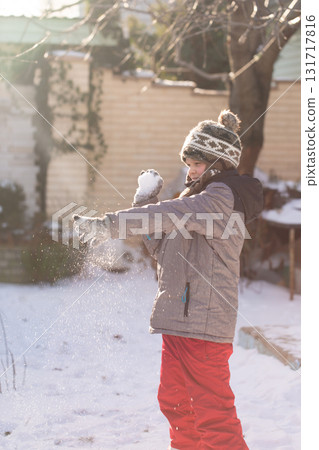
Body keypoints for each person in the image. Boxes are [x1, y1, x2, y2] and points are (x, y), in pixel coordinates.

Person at [73, 110, 264, 449]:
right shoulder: (194, 200)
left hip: (204, 326)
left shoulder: (221, 199)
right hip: (179, 322)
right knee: (176, 407)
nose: (189, 171)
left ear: (219, 163)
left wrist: (110, 225)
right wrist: (145, 199)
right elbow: (162, 248)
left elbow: (170, 214)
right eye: (188, 162)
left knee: (213, 417)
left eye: (197, 163)